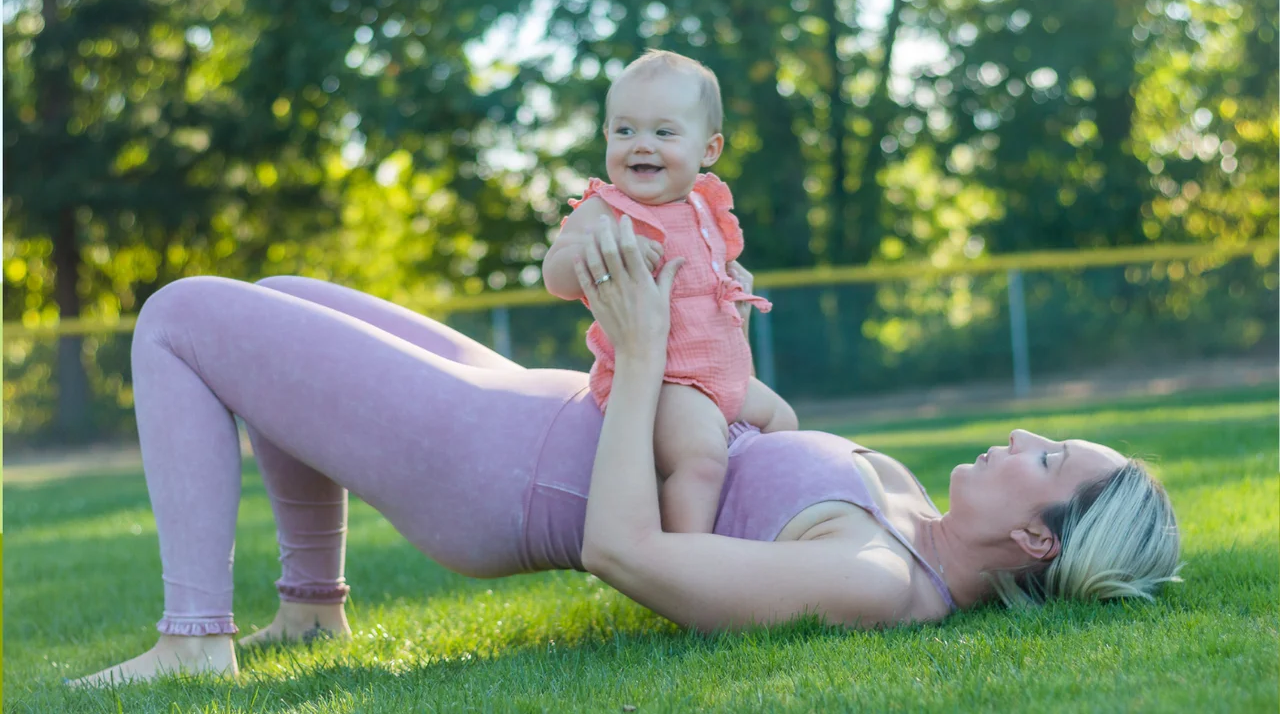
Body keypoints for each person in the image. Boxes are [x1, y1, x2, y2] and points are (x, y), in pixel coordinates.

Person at [71, 215, 1181, 687]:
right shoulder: (897, 510)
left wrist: (645, 352)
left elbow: (623, 549)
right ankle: (309, 605)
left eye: (1048, 456)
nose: (1023, 436)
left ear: (1036, 535)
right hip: (531, 403)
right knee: (276, 300)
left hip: (490, 467)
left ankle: (194, 636)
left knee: (180, 314)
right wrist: (712, 326)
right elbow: (758, 443)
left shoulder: (873, 576)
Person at [543, 49, 798, 533]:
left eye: (664, 132)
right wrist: (612, 253)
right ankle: (683, 560)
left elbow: (707, 271)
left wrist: (733, 279)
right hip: (663, 382)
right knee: (700, 458)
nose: (642, 145)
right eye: (625, 130)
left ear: (709, 150)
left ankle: (757, 528)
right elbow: (554, 274)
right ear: (606, 137)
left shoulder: (704, 206)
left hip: (724, 375)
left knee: (784, 423)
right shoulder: (607, 210)